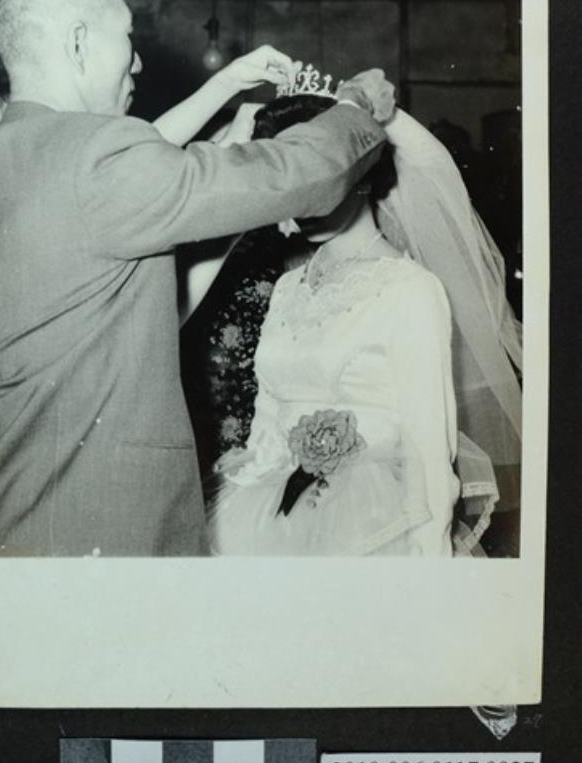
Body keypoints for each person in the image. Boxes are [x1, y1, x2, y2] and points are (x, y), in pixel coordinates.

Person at [0, 0, 393, 557]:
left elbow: (128, 280)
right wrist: (353, 111)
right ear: (79, 43)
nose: (136, 59)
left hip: (16, 511)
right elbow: (300, 174)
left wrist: (222, 137)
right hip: (99, 521)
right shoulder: (97, 159)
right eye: (126, 37)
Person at [207, 77, 522, 557]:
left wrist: (429, 561)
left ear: (365, 176)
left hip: (372, 523)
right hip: (271, 514)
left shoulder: (409, 289)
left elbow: (428, 447)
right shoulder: (290, 287)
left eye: (320, 176)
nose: (303, 198)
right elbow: (266, 419)